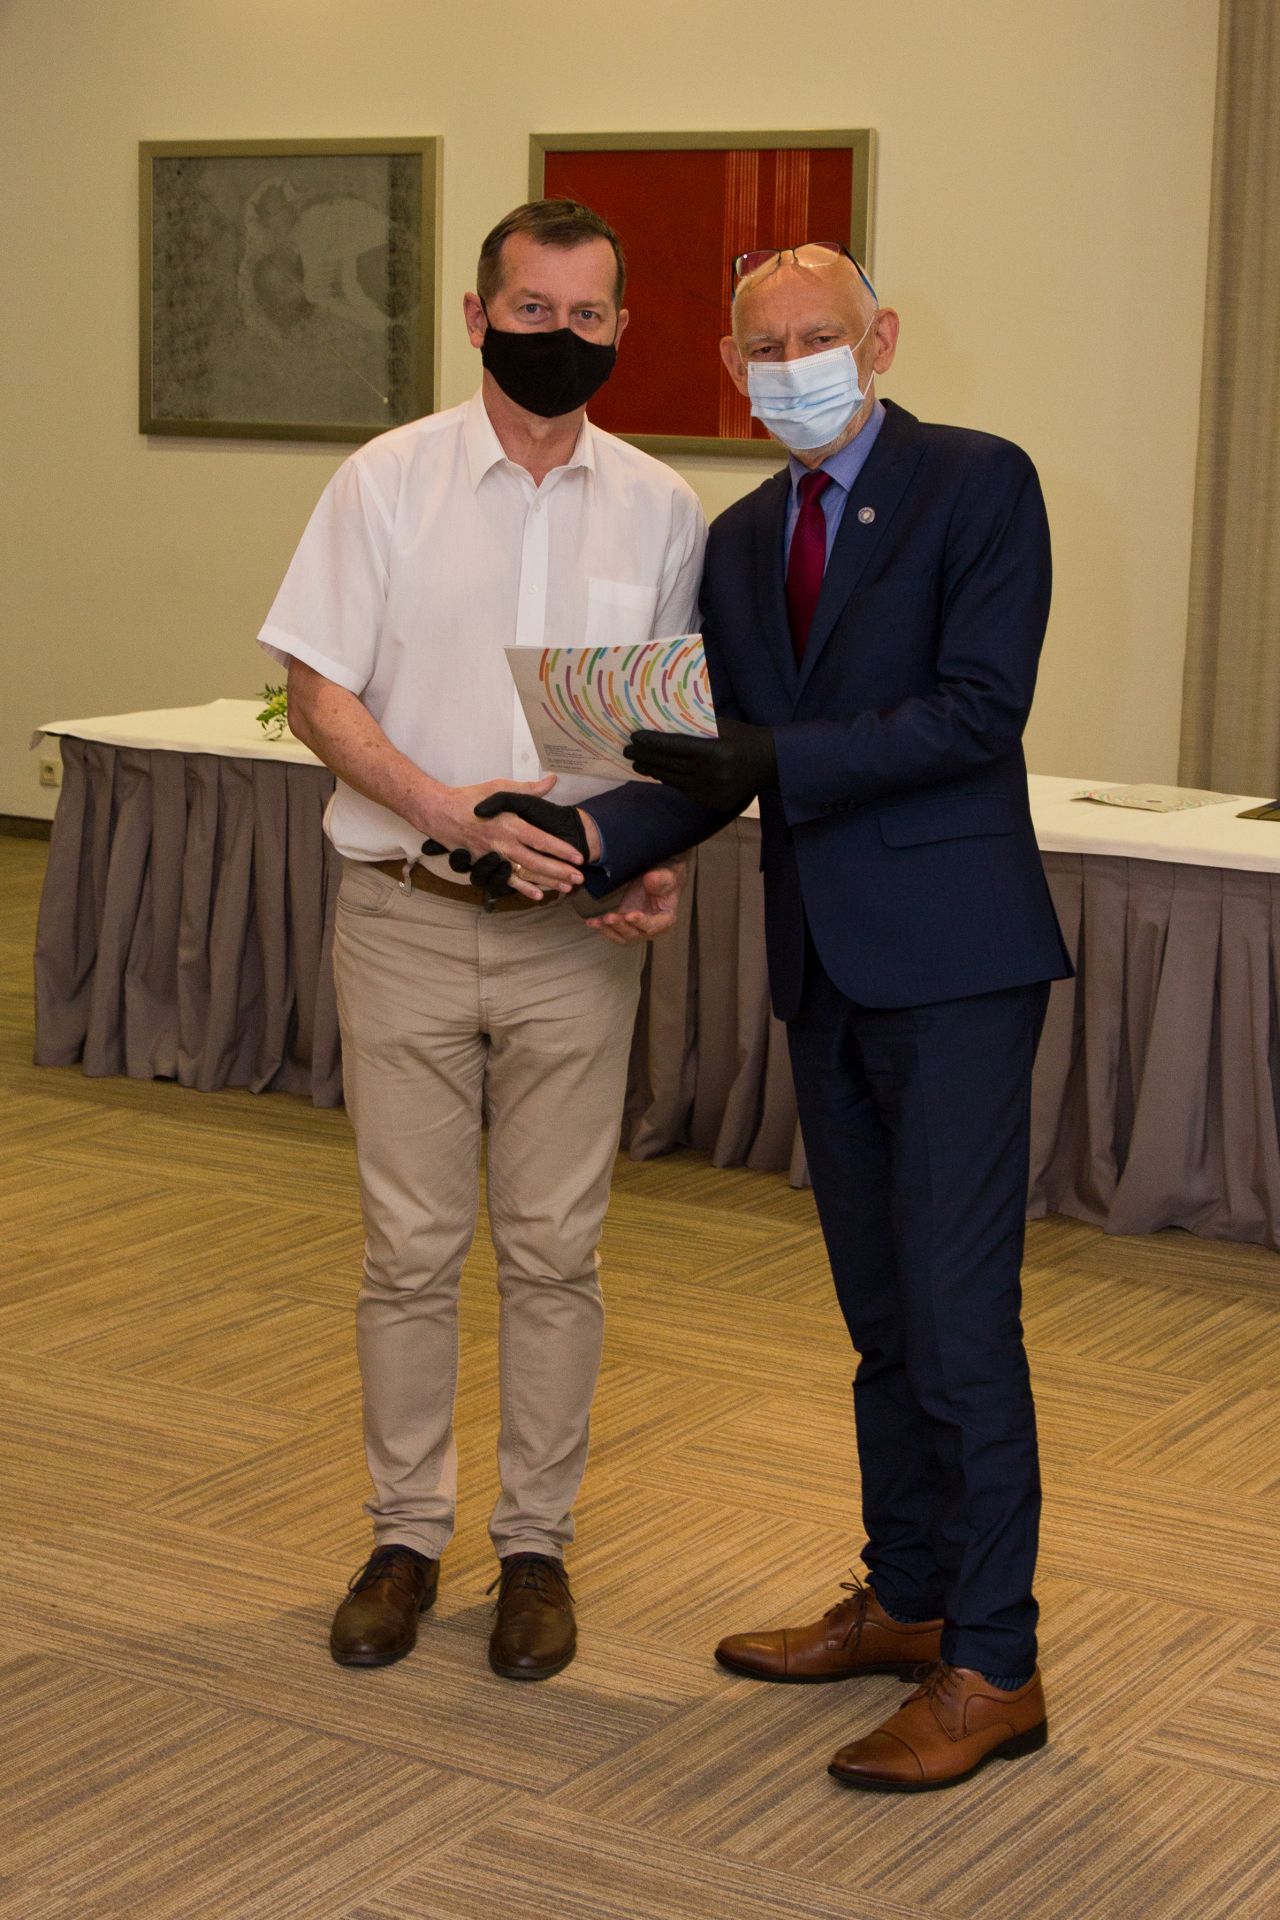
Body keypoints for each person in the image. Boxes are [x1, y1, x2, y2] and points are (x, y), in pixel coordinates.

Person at [567, 241, 1073, 1789]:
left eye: (821, 336)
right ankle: (909, 1598)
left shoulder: (978, 484)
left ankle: (995, 1663)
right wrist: (576, 837)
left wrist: (771, 764)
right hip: (825, 970)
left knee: (959, 1323)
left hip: (957, 963)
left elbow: (977, 710)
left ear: (882, 337)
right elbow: (702, 758)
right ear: (732, 369)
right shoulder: (737, 542)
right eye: (767, 346)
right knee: (882, 1320)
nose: (795, 364)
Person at [257, 198, 705, 1682]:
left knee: (555, 1251)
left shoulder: (661, 509)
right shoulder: (385, 483)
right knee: (409, 1248)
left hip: (576, 934)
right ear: (476, 316)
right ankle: (403, 1537)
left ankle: (534, 1550)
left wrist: (653, 858)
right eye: (531, 310)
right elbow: (319, 695)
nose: (559, 337)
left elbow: (663, 735)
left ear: (620, 327)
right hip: (404, 912)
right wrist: (445, 810)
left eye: (587, 316)